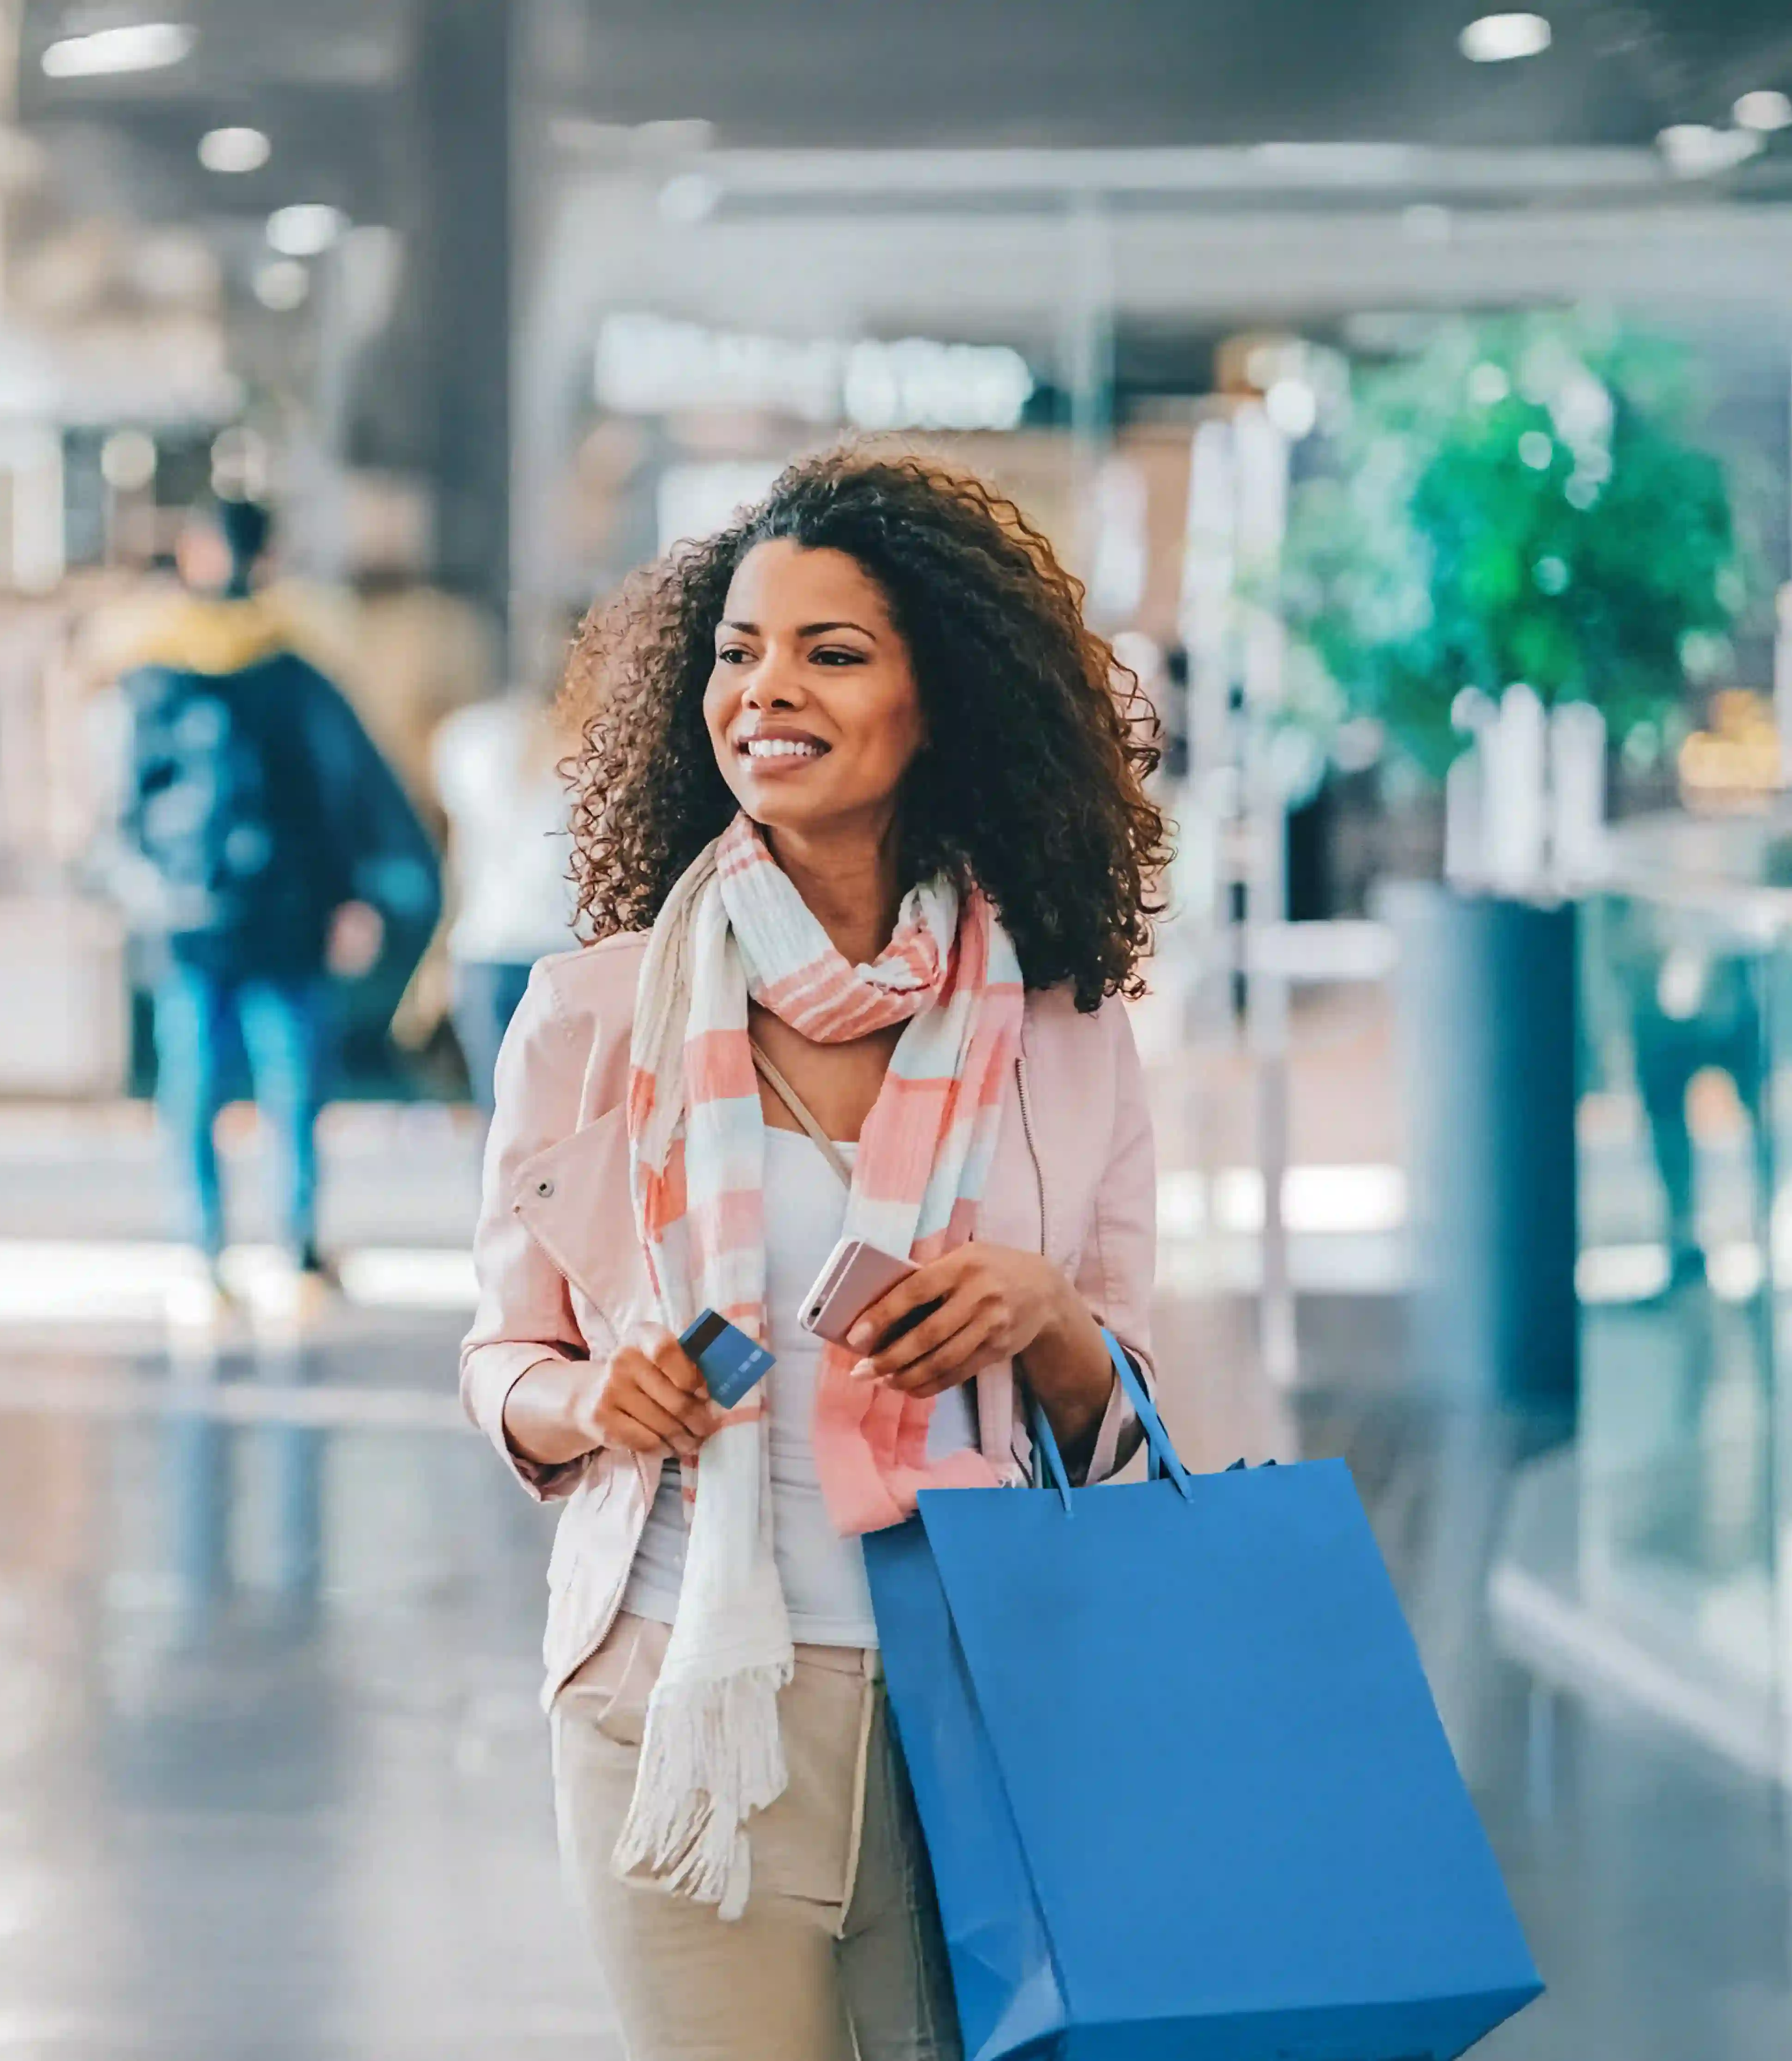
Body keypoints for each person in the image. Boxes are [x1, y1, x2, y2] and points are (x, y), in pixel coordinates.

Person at [460, 449, 1172, 2061]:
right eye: (736, 652)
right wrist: (589, 1406)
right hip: (680, 1710)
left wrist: (1043, 1314)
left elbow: (1124, 1405)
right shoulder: (589, 1015)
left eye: (827, 653)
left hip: (980, 1711)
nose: (763, 690)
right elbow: (500, 1357)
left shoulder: (1061, 1031)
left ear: (943, 704)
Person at [108, 496, 435, 1303]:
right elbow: (342, 794)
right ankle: (268, 1249)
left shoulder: (159, 673)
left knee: (212, 1088)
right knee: (268, 1089)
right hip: (264, 917)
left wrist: (145, 882)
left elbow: (128, 805)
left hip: (206, 917)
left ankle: (219, 1249)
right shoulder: (291, 672)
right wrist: (352, 896)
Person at [431, 686, 581, 1110]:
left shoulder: (467, 741)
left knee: (505, 1111)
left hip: (496, 946)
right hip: (548, 946)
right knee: (553, 1114)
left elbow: (460, 858)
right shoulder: (594, 746)